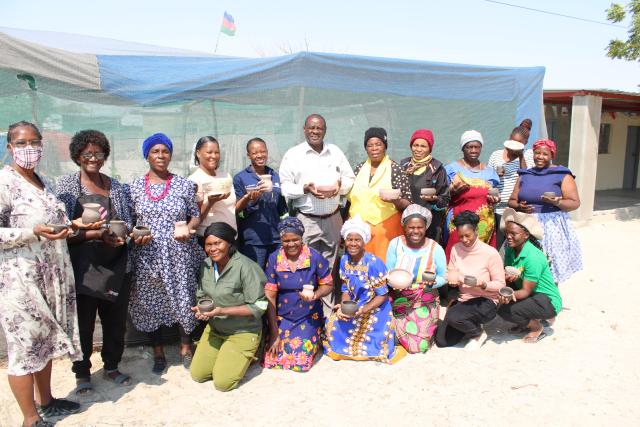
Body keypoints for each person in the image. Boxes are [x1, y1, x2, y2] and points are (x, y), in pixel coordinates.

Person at [0, 121, 80, 427]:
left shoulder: (44, 181)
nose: (28, 148)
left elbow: (55, 223)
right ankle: (30, 418)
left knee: (43, 341)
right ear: (10, 147)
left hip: (49, 277)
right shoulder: (4, 182)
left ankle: (47, 402)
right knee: (23, 348)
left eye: (34, 142)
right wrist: (32, 232)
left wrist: (76, 227)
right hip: (19, 280)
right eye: (21, 143)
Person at [56, 130, 133, 394]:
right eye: (87, 153)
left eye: (98, 153)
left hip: (116, 263)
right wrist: (96, 234)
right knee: (84, 323)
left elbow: (128, 222)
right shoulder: (66, 188)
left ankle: (112, 365)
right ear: (77, 156)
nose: (93, 158)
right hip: (84, 267)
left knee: (115, 320)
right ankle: (82, 371)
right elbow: (62, 230)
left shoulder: (117, 187)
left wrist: (124, 236)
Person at [128, 133, 203, 374]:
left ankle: (185, 347)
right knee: (150, 302)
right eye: (155, 152)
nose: (161, 156)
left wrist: (188, 230)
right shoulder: (135, 188)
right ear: (147, 155)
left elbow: (195, 215)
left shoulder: (183, 184)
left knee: (184, 298)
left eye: (165, 151)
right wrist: (135, 235)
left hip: (179, 253)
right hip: (147, 255)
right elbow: (130, 221)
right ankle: (158, 352)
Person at [190, 222, 268, 391]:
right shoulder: (206, 265)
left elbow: (260, 306)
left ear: (229, 243)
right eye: (208, 244)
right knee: (198, 374)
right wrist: (201, 309)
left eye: (218, 243)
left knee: (223, 383)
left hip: (242, 331)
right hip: (216, 329)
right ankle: (227, 355)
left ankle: (253, 350)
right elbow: (202, 295)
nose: (213, 249)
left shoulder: (247, 267)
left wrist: (222, 310)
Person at [279, 114, 355, 278]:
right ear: (304, 130)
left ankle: (327, 303)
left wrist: (339, 187)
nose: (315, 131)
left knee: (330, 266)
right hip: (307, 219)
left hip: (333, 218)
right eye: (311, 128)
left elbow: (350, 178)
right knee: (304, 263)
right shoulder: (293, 154)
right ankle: (307, 300)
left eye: (319, 128)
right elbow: (284, 186)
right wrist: (304, 189)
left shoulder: (335, 151)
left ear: (325, 131)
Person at [324, 216, 400, 363]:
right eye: (349, 239)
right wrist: (345, 306)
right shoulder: (344, 260)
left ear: (364, 241)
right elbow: (345, 288)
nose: (353, 243)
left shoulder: (374, 263)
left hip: (376, 310)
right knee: (332, 326)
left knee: (375, 344)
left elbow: (382, 295)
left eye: (357, 240)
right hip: (355, 307)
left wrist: (364, 309)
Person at [263, 217, 334, 372]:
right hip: (283, 317)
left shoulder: (314, 257)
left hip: (308, 316)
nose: (291, 244)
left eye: (295, 239)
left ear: (301, 238)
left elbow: (328, 284)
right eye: (286, 241)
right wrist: (274, 332)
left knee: (300, 358)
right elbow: (270, 296)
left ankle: (317, 332)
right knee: (271, 357)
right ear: (281, 240)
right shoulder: (275, 258)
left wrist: (315, 295)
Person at [508, 138, 582, 283]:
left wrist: (558, 202)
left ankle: (550, 297)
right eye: (537, 153)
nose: (540, 157)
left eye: (545, 154)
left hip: (551, 227)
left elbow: (575, 203)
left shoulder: (562, 174)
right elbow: (511, 200)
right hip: (525, 224)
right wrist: (518, 206)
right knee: (526, 261)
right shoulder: (525, 175)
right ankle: (527, 294)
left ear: (552, 155)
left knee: (550, 263)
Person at [435, 211, 505, 350]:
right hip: (464, 300)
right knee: (442, 341)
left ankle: (478, 333)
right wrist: (452, 279)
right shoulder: (456, 249)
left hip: (486, 300)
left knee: (454, 317)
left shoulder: (490, 253)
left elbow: (501, 285)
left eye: (468, 235)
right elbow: (452, 271)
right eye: (461, 236)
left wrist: (483, 284)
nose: (464, 240)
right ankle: (468, 322)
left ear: (476, 231)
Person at [386, 204, 447, 354]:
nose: (415, 231)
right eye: (411, 227)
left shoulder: (435, 248)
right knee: (386, 337)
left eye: (419, 227)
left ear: (426, 227)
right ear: (404, 227)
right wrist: (392, 282)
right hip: (399, 297)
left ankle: (427, 330)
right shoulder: (395, 244)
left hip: (425, 300)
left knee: (418, 347)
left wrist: (433, 283)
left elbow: (444, 276)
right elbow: (388, 271)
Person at [497, 208, 562, 343]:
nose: (509, 237)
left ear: (526, 235)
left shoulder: (533, 257)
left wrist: (508, 296)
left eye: (513, 233)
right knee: (505, 307)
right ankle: (527, 321)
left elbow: (526, 291)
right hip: (532, 294)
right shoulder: (510, 249)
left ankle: (536, 327)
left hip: (547, 300)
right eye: (507, 233)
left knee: (505, 310)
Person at [348, 127, 411, 261]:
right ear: (366, 148)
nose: (374, 148)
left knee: (383, 267)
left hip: (386, 230)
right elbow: (351, 200)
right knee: (361, 267)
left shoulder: (395, 169)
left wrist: (394, 200)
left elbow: (407, 202)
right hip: (359, 230)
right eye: (370, 145)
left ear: (385, 146)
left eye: (378, 144)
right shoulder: (359, 169)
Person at [445, 130, 500, 258]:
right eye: (470, 147)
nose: (474, 150)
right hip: (459, 221)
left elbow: (495, 193)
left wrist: (495, 198)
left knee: (482, 256)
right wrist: (452, 190)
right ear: (463, 148)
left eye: (477, 147)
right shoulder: (452, 169)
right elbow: (443, 195)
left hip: (484, 222)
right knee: (458, 254)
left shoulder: (490, 172)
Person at [233, 137, 287, 268]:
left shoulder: (274, 175)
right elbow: (237, 210)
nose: (260, 155)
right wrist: (251, 198)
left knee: (276, 274)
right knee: (255, 276)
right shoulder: (241, 178)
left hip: (276, 237)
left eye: (263, 151)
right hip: (254, 239)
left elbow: (282, 208)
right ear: (248, 155)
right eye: (255, 153)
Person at [487, 119, 535, 249]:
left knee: (514, 242)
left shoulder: (527, 158)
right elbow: (487, 180)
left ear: (525, 143)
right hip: (497, 208)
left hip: (515, 208)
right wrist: (495, 176)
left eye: (519, 143)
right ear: (509, 138)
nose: (514, 146)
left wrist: (520, 157)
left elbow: (527, 178)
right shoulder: (496, 155)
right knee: (497, 243)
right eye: (513, 141)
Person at [400, 129, 450, 244]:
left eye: (423, 146)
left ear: (430, 148)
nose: (418, 149)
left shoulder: (437, 169)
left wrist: (435, 200)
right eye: (415, 145)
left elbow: (445, 200)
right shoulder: (403, 166)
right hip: (407, 223)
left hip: (430, 224)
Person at [188, 136, 236, 243]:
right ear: (198, 153)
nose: (213, 156)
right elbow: (194, 219)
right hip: (209, 241)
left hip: (230, 238)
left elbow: (233, 207)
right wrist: (210, 202)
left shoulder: (225, 176)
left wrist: (249, 198)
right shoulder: (194, 180)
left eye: (216, 152)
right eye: (209, 152)